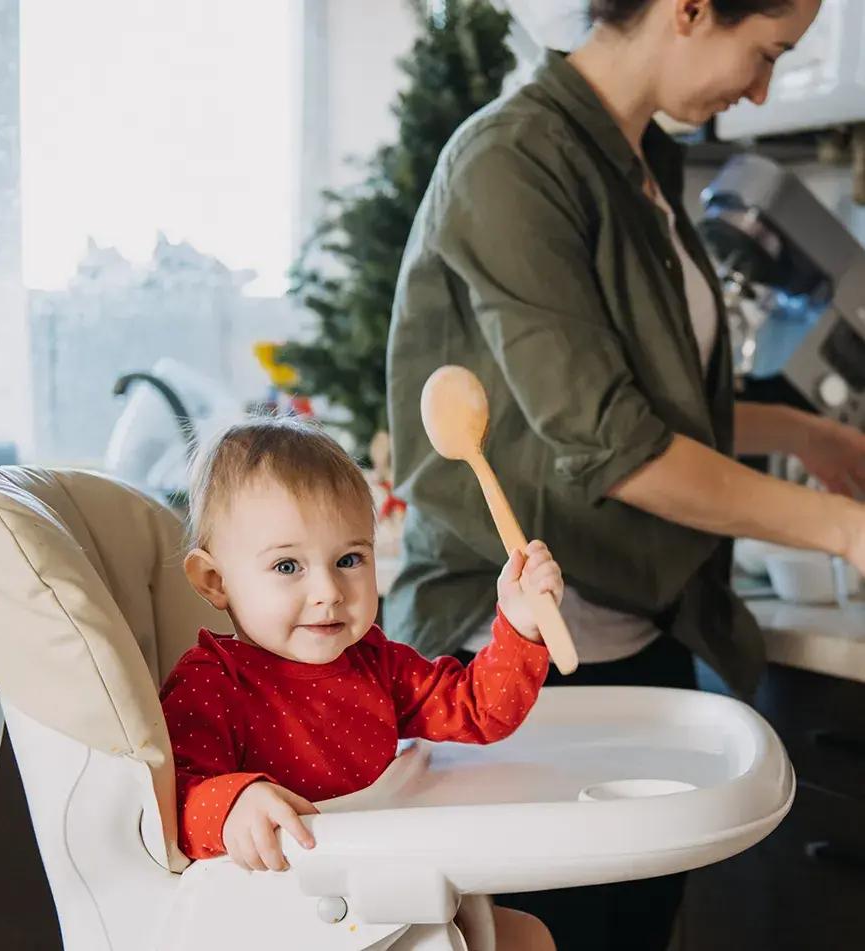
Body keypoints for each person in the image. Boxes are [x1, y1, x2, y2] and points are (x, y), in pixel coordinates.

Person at [385, 1, 859, 948]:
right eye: (764, 53)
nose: (761, 89)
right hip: (506, 651)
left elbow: (644, 408)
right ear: (688, 10)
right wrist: (841, 528)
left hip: (636, 626)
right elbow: (613, 445)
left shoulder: (642, 163)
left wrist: (804, 433)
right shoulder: (513, 160)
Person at [160, 417, 562, 950]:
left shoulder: (375, 663)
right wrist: (233, 804)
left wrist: (520, 623)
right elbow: (170, 802)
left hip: (390, 895)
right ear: (215, 581)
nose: (329, 590)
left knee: (529, 936)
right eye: (287, 566)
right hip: (294, 919)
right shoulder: (212, 684)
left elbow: (477, 709)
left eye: (349, 560)